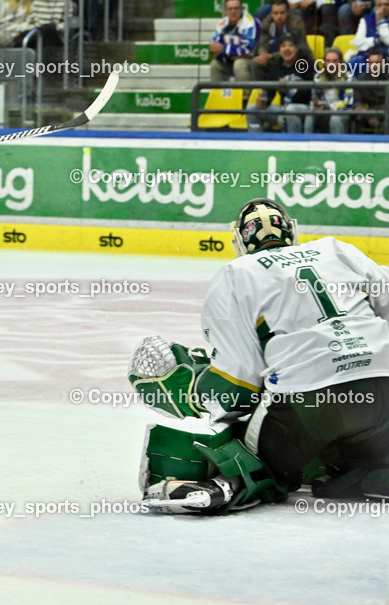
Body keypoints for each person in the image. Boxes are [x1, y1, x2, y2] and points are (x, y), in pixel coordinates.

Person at [129, 198, 389, 513]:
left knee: (246, 446)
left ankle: (228, 485)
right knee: (363, 448)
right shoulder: (338, 249)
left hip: (309, 405)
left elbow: (237, 388)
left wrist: (191, 391)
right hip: (383, 394)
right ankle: (368, 473)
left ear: (239, 240)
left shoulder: (237, 274)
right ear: (291, 231)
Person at [246, 36, 314, 133]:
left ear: (296, 49)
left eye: (291, 46)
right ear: (279, 50)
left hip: (305, 108)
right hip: (283, 108)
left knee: (290, 110)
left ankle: (294, 145)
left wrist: (290, 88)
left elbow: (313, 91)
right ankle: (256, 143)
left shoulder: (306, 64)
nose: (287, 49)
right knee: (251, 109)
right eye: (283, 46)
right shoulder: (276, 66)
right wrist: (264, 101)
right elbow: (270, 91)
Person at [209, 0, 258, 82]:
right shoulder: (222, 24)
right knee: (214, 65)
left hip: (252, 62)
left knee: (239, 64)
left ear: (241, 9)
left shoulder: (249, 23)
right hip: (229, 61)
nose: (233, 12)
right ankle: (218, 94)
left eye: (236, 8)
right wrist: (231, 53)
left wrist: (224, 49)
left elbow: (247, 50)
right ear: (225, 11)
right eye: (230, 9)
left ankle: (245, 95)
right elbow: (214, 49)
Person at [307, 47, 352, 134]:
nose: (331, 64)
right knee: (309, 117)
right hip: (323, 110)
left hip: (342, 111)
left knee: (335, 119)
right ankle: (308, 146)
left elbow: (348, 102)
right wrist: (315, 105)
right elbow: (313, 98)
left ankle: (337, 146)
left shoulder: (348, 77)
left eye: (334, 61)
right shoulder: (318, 77)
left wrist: (327, 107)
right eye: (328, 61)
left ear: (340, 62)